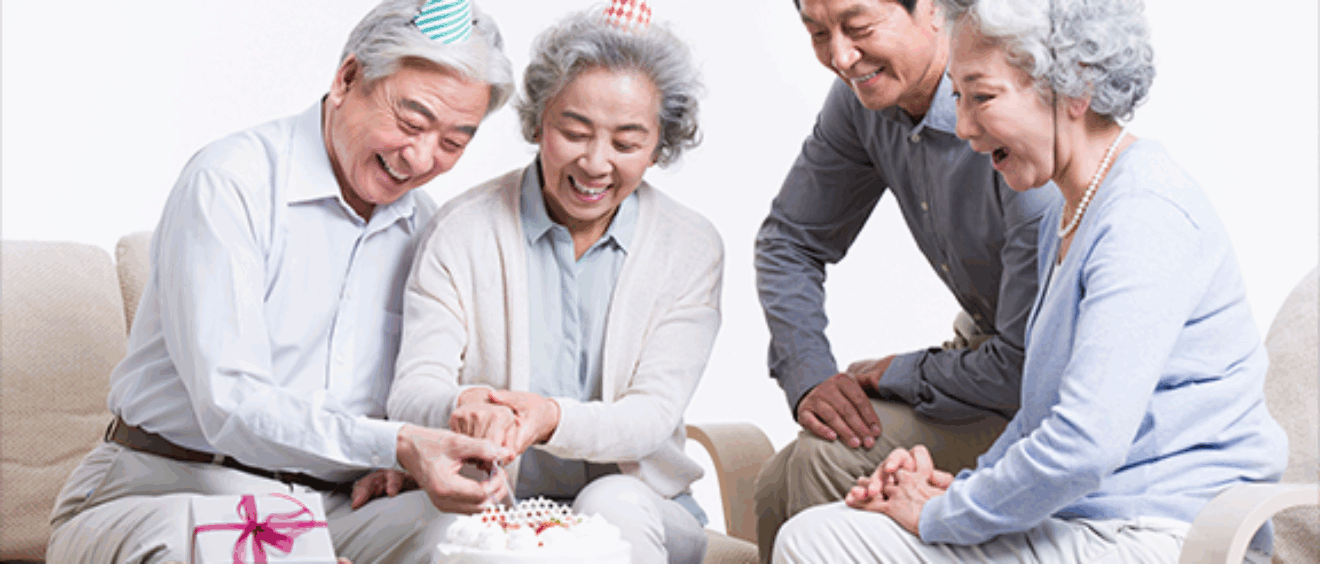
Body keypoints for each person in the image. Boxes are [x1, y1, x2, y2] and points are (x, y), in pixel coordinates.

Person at [772, 0, 1288, 561]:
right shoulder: (1075, 212)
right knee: (821, 520)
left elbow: (1084, 445)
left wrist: (940, 512)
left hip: (1159, 534)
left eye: (982, 97)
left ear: (1073, 88)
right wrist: (953, 492)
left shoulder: (1144, 216)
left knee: (819, 538)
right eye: (959, 98)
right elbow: (1039, 420)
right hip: (1088, 516)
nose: (963, 128)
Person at [45, 1, 517, 562]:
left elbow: (410, 394)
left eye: (452, 143)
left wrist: (415, 462)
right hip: (168, 488)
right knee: (253, 543)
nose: (419, 158)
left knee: (480, 533)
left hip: (328, 510)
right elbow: (231, 406)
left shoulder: (426, 229)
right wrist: (398, 444)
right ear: (347, 79)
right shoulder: (232, 182)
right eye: (410, 122)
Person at [386, 2, 718, 563]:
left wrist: (547, 419)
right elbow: (411, 391)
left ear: (659, 147)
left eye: (627, 143)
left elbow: (649, 418)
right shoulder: (462, 230)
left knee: (610, 500)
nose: (595, 163)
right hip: (494, 504)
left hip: (643, 509)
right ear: (539, 120)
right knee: (482, 532)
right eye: (575, 131)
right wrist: (463, 403)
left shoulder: (689, 247)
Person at [753, 0, 1061, 558]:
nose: (840, 56)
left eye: (859, 27)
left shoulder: (1017, 117)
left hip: (1050, 395)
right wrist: (810, 375)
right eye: (818, 32)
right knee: (777, 480)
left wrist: (899, 373)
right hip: (989, 361)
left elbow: (1029, 368)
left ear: (936, 10)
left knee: (823, 463)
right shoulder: (862, 101)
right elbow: (789, 241)